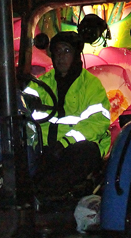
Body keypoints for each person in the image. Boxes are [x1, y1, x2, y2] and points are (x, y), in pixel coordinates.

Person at [25, 31, 111, 197]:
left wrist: (63, 144)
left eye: (66, 51)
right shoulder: (40, 84)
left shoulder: (91, 86)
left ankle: (48, 196)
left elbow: (97, 123)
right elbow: (24, 113)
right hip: (44, 150)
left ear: (76, 55)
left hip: (75, 148)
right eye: (57, 51)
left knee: (84, 153)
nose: (61, 57)